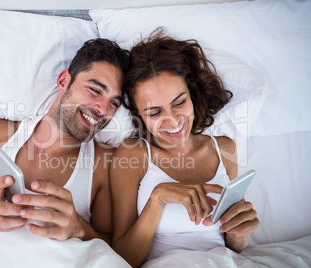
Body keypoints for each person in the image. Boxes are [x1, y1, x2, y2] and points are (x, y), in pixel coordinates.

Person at [0, 38, 129, 246]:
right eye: (95, 90)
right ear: (64, 81)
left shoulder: (103, 164)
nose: (103, 110)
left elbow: (116, 252)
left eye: (114, 103)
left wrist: (79, 230)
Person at [110, 31, 260, 267]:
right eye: (155, 112)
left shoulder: (225, 148)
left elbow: (234, 248)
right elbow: (124, 258)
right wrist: (157, 198)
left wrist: (240, 231)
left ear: (191, 94)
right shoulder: (132, 155)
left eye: (179, 102)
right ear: (139, 115)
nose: (173, 121)